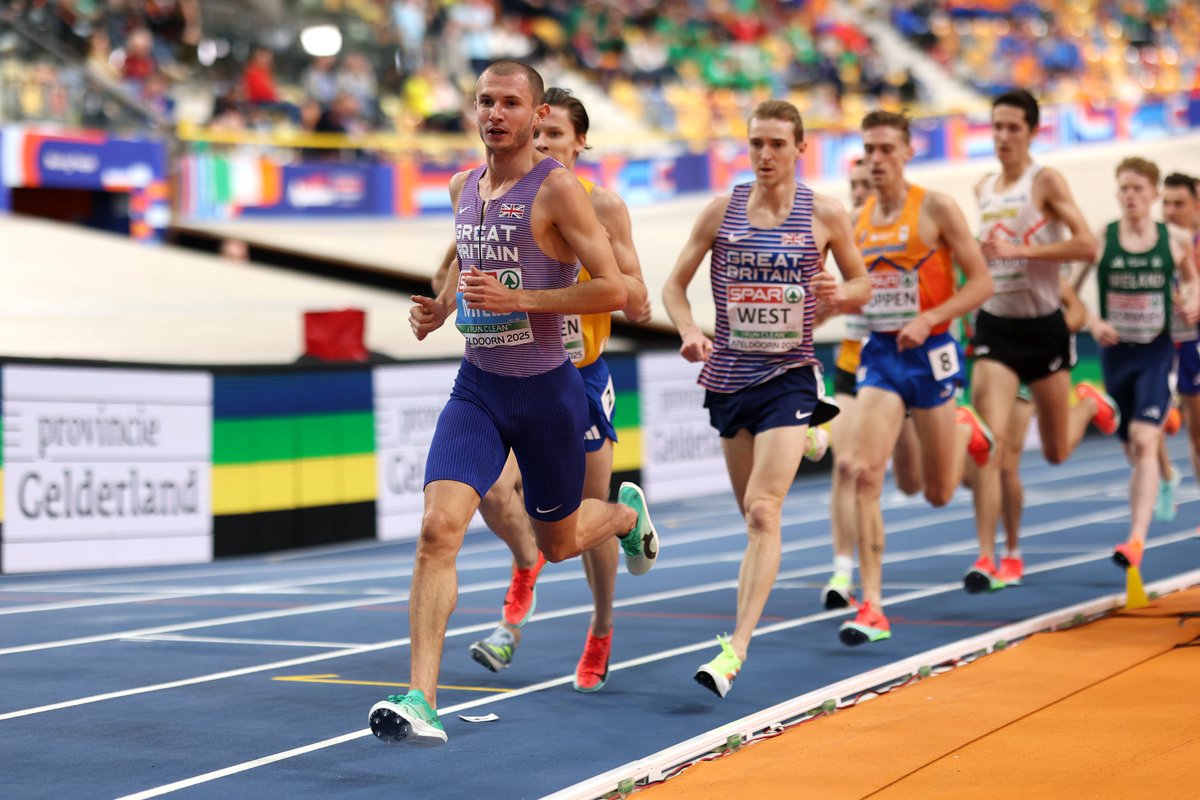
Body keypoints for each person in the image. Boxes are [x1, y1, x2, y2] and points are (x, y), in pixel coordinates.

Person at [368, 60, 660, 747]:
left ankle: (621, 514)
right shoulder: (461, 185)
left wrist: (524, 299)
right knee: (438, 530)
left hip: (549, 390)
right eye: (484, 101)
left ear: (535, 116)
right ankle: (421, 699)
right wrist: (441, 308)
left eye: (509, 103)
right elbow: (464, 261)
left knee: (557, 543)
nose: (495, 114)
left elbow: (617, 289)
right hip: (478, 389)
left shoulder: (559, 191)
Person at [662, 99, 872, 697]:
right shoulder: (721, 211)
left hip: (790, 373)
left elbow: (861, 283)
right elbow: (673, 286)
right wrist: (689, 331)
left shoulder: (825, 214)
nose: (764, 155)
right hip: (729, 379)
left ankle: (736, 649)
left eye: (777, 144)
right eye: (756, 143)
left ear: (800, 149)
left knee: (763, 510)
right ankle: (813, 436)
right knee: (748, 514)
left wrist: (838, 295)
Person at [458, 87, 653, 693]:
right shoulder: (500, 194)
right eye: (537, 139)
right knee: (490, 490)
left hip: (581, 377)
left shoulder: (601, 206)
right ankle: (522, 573)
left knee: (575, 526)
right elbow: (459, 260)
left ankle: (600, 627)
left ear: (580, 143)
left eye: (555, 140)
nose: (543, 149)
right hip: (512, 369)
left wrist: (597, 280)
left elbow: (635, 296)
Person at [837, 110, 995, 647]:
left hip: (933, 353)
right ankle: (873, 606)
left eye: (885, 149)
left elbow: (982, 284)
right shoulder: (855, 224)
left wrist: (929, 318)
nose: (875, 160)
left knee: (936, 492)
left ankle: (965, 430)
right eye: (868, 150)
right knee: (865, 475)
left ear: (907, 152)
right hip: (880, 356)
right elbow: (853, 298)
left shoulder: (936, 208)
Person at [964, 89, 1113, 593]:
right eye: (996, 126)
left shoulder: (1043, 181)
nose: (1003, 137)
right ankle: (995, 554)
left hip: (1044, 327)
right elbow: (984, 255)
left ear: (1031, 131)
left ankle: (1089, 406)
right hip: (996, 329)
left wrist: (1020, 250)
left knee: (1054, 452)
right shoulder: (982, 187)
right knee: (993, 448)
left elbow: (1087, 243)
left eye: (1012, 128)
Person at [1071, 157, 1198, 572]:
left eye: (1138, 189)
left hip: (1157, 350)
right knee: (1132, 444)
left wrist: (1193, 302)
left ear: (1153, 194)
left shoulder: (1176, 239)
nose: (1130, 196)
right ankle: (1160, 447)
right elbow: (1067, 291)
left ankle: (1136, 541)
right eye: (1123, 189)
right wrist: (1093, 320)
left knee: (1144, 439)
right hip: (1115, 354)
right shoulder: (1102, 239)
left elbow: (1193, 279)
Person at [821, 158, 923, 610]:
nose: (861, 191)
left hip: (901, 363)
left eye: (867, 183)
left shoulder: (903, 230)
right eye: (854, 185)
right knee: (847, 467)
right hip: (852, 365)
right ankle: (844, 571)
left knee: (919, 482)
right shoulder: (839, 232)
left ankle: (963, 434)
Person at [1156, 172, 1200, 521]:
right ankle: (1168, 475)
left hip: (1192, 341)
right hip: (1155, 340)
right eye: (1165, 203)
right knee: (1142, 423)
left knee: (1197, 433)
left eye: (1178, 204)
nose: (1170, 211)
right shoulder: (1153, 240)